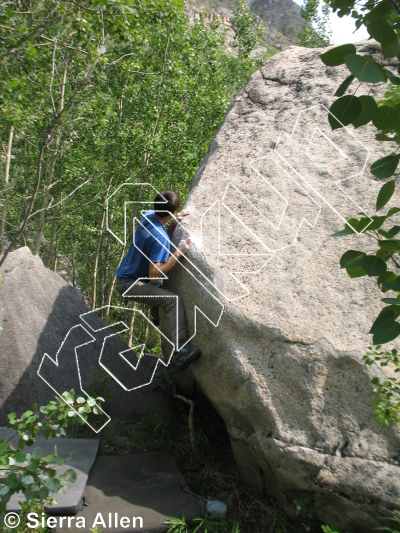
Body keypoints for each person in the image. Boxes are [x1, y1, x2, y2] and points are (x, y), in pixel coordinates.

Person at [115, 190, 201, 371]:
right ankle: (181, 352)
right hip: (129, 284)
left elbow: (157, 240)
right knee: (172, 301)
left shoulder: (147, 216)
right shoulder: (159, 238)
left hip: (128, 274)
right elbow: (155, 273)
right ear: (172, 211)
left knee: (158, 287)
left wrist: (172, 223)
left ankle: (156, 315)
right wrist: (179, 251)